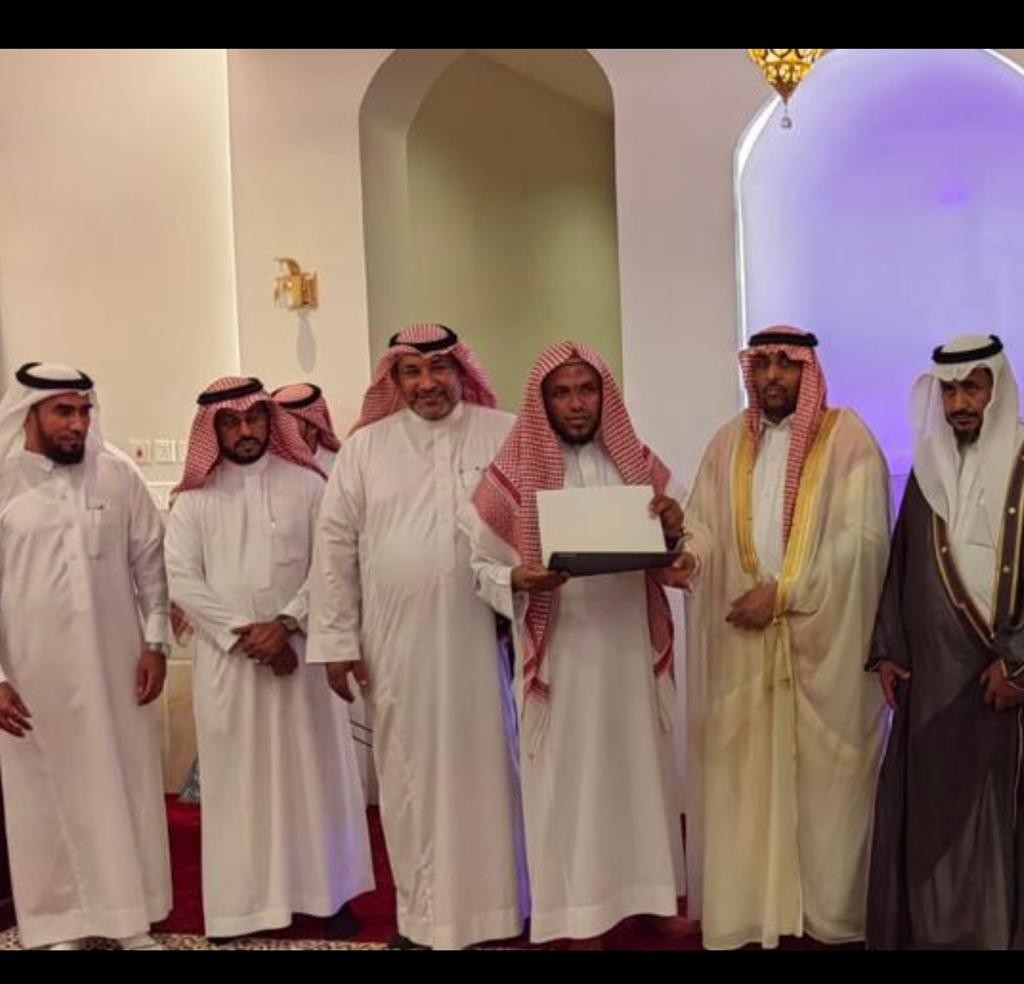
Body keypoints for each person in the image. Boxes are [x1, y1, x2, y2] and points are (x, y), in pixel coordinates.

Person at [308, 324, 526, 950]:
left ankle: (502, 912)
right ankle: (424, 918)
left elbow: (533, 523)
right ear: (395, 379)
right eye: (412, 372)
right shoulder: (365, 448)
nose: (427, 383)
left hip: (486, 639)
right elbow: (334, 545)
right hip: (396, 644)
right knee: (410, 778)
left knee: (493, 770)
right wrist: (337, 640)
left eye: (439, 369)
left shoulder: (504, 433)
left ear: (461, 371)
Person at [677, 326, 890, 949]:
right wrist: (687, 559)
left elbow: (863, 541)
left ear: (808, 370)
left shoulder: (849, 440)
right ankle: (752, 913)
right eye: (763, 362)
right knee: (744, 784)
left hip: (821, 650)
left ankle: (828, 915)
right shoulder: (726, 444)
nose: (773, 375)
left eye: (786, 364)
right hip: (744, 650)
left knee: (827, 789)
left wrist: (787, 593)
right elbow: (703, 526)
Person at [468, 340, 686, 945]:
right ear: (543, 401)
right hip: (561, 656)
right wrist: (518, 578)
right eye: (562, 393)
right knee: (572, 786)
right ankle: (578, 915)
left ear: (603, 396)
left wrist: (675, 528)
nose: (576, 403)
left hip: (628, 649)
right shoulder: (511, 476)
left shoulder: (637, 464)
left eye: (586, 390)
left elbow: (681, 544)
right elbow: (479, 566)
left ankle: (652, 898)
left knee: (641, 776)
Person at [164, 375, 373, 942]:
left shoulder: (308, 485)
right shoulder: (193, 501)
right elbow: (182, 580)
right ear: (213, 430)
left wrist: (285, 625)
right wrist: (246, 636)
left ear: (268, 421)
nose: (245, 430)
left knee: (315, 777)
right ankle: (243, 908)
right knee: (240, 785)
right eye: (231, 422)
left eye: (254, 418)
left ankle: (328, 896)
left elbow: (330, 565)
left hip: (302, 657)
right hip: (230, 667)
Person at [0, 362, 172, 950]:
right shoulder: (3, 482)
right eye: (63, 412)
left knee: (126, 787)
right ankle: (63, 925)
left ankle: (132, 921)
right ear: (29, 414)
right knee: (43, 797)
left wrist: (156, 643)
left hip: (117, 667)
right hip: (32, 677)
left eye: (84, 411)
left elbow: (150, 564)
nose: (77, 424)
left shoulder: (117, 475)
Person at [866, 333, 1024, 949]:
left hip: (1004, 683)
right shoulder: (927, 470)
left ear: (996, 390)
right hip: (934, 680)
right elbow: (903, 562)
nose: (960, 403)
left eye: (973, 388)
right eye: (950, 390)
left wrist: (1018, 665)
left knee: (999, 820)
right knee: (935, 819)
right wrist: (890, 649)